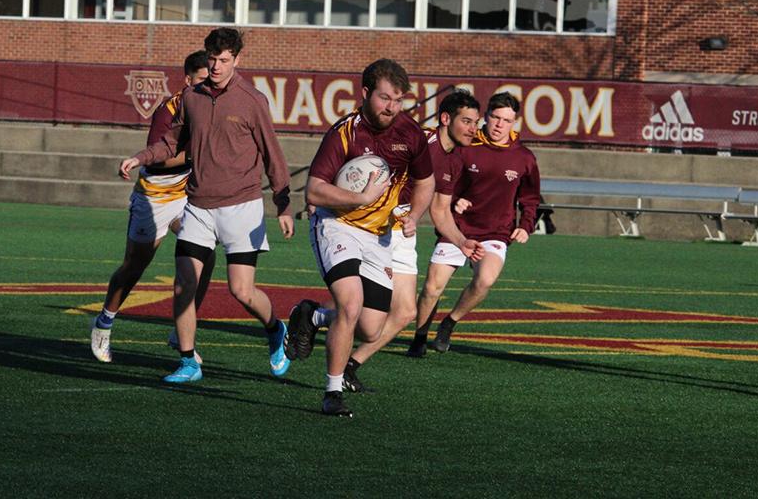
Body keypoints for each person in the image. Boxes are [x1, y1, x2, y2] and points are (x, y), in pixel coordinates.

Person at [287, 59, 479, 417]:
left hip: (379, 235)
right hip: (338, 225)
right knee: (350, 304)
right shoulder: (344, 132)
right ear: (365, 93)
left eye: (398, 100)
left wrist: (414, 216)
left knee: (371, 329)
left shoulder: (410, 133)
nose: (392, 107)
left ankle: (311, 316)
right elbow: (313, 190)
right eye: (385, 98)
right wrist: (359, 197)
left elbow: (425, 182)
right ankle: (332, 392)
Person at [119, 28, 294, 383]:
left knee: (241, 290)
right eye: (212, 59)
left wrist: (284, 203)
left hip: (241, 206)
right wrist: (140, 157)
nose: (216, 66)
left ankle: (276, 329)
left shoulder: (252, 100)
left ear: (237, 60)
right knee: (184, 283)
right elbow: (171, 142)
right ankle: (188, 361)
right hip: (197, 205)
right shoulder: (191, 96)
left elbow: (272, 155)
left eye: (224, 60)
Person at [341, 89, 485, 391]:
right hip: (377, 228)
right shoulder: (418, 142)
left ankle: (350, 366)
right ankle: (316, 317)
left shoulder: (454, 160)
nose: (474, 129)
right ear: (445, 119)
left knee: (406, 312)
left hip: (404, 232)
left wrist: (461, 241)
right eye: (467, 121)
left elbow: (440, 210)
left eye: (476, 122)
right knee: (362, 310)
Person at [91, 50, 215, 364]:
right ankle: (104, 322)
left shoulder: (211, 106)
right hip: (155, 195)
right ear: (187, 80)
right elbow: (158, 157)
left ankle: (182, 331)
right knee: (134, 266)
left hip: (186, 193)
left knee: (205, 255)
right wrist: (194, 155)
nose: (207, 86)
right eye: (202, 80)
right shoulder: (169, 109)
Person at [418, 91, 541, 354]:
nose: (499, 125)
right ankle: (419, 337)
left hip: (496, 232)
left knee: (485, 280)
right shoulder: (465, 146)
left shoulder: (524, 157)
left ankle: (449, 323)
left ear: (514, 123)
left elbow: (530, 198)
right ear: (486, 116)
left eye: (506, 121)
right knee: (431, 287)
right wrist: (456, 201)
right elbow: (444, 185)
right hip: (457, 228)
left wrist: (525, 225)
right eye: (495, 118)